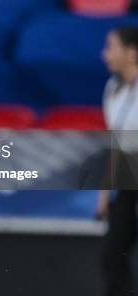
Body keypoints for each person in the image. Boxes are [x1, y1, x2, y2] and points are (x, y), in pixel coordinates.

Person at [99, 26, 138, 296]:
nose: (105, 54)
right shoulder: (112, 89)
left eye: (111, 47)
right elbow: (116, 142)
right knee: (112, 254)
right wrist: (103, 192)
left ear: (132, 53)